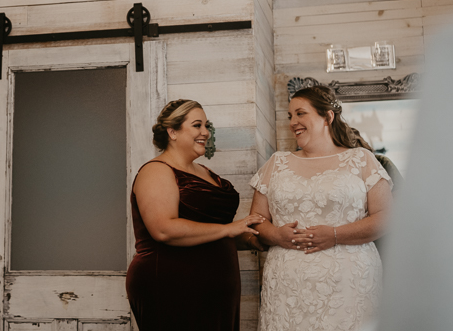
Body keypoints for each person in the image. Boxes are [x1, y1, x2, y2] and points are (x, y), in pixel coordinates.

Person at [248, 85, 393, 331]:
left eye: (300, 113)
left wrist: (335, 235)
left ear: (327, 116)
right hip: (288, 285)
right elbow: (255, 220)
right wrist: (276, 235)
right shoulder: (277, 163)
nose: (293, 122)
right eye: (290, 116)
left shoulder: (361, 159)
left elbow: (387, 217)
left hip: (349, 284)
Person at [126, 99, 266, 331]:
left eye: (206, 126)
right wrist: (229, 228)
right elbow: (163, 229)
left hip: (216, 289)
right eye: (197, 125)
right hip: (172, 284)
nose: (205, 132)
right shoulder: (156, 171)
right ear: (172, 131)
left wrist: (255, 237)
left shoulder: (204, 172)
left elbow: (213, 231)